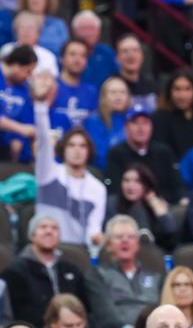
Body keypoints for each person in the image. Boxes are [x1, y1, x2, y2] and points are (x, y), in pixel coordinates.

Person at [32, 73, 106, 247]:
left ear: (89, 152)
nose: (77, 151)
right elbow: (43, 139)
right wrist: (41, 105)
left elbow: (93, 229)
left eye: (82, 146)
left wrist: (97, 239)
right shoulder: (49, 173)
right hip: (46, 245)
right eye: (71, 145)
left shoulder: (97, 188)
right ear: (63, 150)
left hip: (77, 253)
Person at [87, 215, 164, 328]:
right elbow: (106, 313)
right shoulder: (97, 275)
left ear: (137, 244)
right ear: (108, 244)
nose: (125, 240)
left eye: (130, 236)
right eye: (118, 237)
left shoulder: (155, 276)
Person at [1, 215, 90, 328]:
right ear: (32, 235)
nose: (49, 231)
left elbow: (86, 308)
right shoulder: (14, 272)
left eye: (54, 228)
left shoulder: (71, 269)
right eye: (43, 227)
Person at [151, 69, 193, 160]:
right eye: (177, 89)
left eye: (188, 89)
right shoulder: (159, 118)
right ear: (169, 92)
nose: (182, 95)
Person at [50, 39, 98, 132]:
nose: (77, 59)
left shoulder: (91, 92)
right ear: (61, 59)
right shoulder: (50, 87)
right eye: (72, 54)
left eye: (82, 56)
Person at [83, 77, 132, 167]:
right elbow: (98, 155)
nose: (118, 97)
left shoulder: (134, 120)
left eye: (122, 92)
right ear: (104, 97)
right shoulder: (93, 122)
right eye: (113, 92)